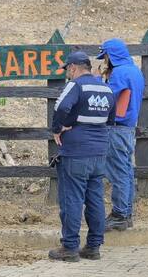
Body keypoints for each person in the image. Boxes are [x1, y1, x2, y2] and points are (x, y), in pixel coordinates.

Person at [47, 51, 114, 262]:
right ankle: (93, 246)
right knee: (95, 199)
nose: (68, 74)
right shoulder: (105, 87)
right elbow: (111, 120)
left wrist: (57, 128)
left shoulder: (76, 86)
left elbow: (61, 106)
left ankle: (69, 247)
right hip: (99, 152)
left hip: (76, 152)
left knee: (72, 199)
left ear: (73, 68)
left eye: (68, 70)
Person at [97, 38, 145, 231]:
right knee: (126, 171)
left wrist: (98, 80)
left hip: (116, 128)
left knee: (118, 173)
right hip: (128, 128)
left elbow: (105, 97)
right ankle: (126, 213)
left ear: (112, 55)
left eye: (106, 56)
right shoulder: (135, 71)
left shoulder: (119, 73)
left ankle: (119, 215)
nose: (105, 60)